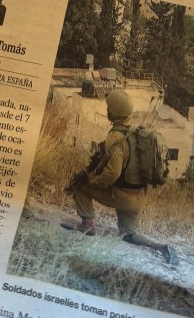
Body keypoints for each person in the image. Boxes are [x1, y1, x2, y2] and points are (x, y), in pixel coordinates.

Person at [61, 89, 177, 265]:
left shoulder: (115, 137)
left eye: (109, 108)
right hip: (139, 198)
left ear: (112, 113)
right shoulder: (138, 132)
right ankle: (160, 246)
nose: (107, 110)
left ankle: (87, 225)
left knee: (81, 185)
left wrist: (93, 182)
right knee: (128, 234)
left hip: (122, 196)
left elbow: (112, 173)